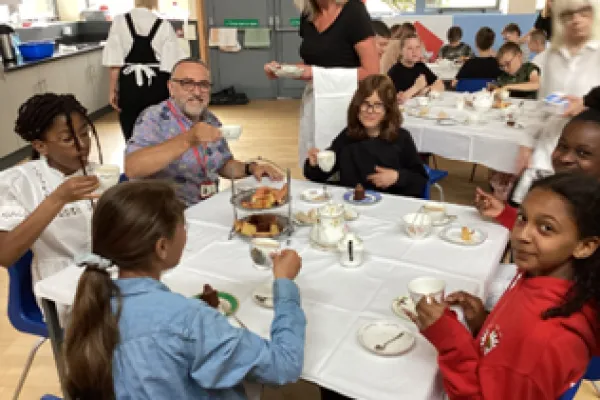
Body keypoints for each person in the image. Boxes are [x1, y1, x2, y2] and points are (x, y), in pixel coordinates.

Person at [63, 180, 306, 399]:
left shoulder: (91, 304)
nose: (186, 234)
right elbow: (283, 365)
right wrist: (284, 283)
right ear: (162, 247)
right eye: (184, 227)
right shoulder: (187, 321)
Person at [414, 172, 600, 399]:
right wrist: (484, 323)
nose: (521, 234)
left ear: (585, 246)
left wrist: (450, 339)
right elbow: (510, 348)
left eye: (546, 228)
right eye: (522, 218)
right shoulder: (543, 276)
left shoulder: (544, 344)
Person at [125, 58, 282, 207]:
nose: (197, 92)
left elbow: (223, 164)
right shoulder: (154, 118)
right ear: (171, 88)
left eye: (204, 85)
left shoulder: (210, 119)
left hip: (207, 206)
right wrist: (188, 139)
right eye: (187, 83)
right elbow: (132, 167)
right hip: (167, 215)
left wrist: (251, 168)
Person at [0, 93, 101, 283]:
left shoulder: (98, 173)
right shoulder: (15, 183)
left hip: (108, 273)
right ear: (40, 146)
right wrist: (58, 199)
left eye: (84, 133)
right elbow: (5, 254)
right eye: (68, 139)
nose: (83, 145)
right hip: (59, 283)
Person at [264, 0, 379, 167]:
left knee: (344, 165)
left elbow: (372, 72)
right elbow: (312, 67)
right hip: (316, 100)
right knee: (316, 162)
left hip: (349, 103)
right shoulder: (308, 14)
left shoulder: (354, 11)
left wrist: (317, 74)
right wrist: (283, 69)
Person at [515, 0, 600, 180]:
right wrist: (526, 144)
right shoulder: (551, 57)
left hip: (588, 158)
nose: (576, 20)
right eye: (569, 14)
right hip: (548, 150)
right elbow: (542, 106)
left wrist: (586, 104)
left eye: (583, 13)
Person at [304, 75, 427, 197]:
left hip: (389, 208)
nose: (370, 110)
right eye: (365, 103)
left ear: (388, 110)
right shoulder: (348, 137)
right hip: (352, 207)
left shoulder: (401, 138)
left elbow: (420, 180)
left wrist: (397, 177)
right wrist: (315, 165)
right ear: (357, 106)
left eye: (378, 105)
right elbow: (321, 175)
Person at [476, 108, 600, 231]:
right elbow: (539, 232)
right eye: (562, 146)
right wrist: (503, 213)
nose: (565, 158)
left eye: (583, 153)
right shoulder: (555, 191)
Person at [103, 0, 185, 141]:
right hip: (157, 85)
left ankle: (134, 158)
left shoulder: (119, 22)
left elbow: (115, 60)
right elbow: (171, 65)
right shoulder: (164, 25)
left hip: (129, 86)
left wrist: (112, 89)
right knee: (158, 127)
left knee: (131, 128)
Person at [388, 33, 445, 104]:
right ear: (401, 51)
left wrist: (426, 90)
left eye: (417, 47)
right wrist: (416, 88)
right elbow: (397, 100)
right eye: (410, 48)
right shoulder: (394, 72)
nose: (414, 52)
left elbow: (440, 85)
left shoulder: (420, 66)